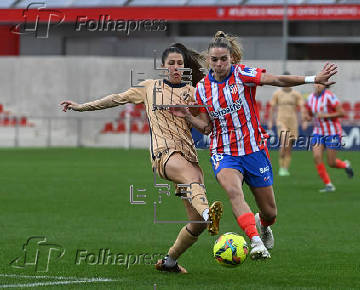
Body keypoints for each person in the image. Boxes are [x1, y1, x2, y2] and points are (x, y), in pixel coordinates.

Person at [169, 31, 337, 259]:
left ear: (231, 59)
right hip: (224, 152)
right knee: (233, 192)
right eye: (215, 60)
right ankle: (256, 241)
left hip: (254, 150)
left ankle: (263, 224)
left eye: (223, 59)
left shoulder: (242, 74)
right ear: (209, 61)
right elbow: (207, 128)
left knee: (270, 212)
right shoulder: (202, 89)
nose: (219, 64)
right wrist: (189, 117)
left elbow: (276, 80)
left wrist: (312, 79)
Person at [60, 43, 223, 274]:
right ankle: (210, 213)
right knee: (192, 179)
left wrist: (188, 114)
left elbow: (206, 128)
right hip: (164, 154)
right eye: (171, 63)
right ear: (163, 67)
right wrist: (81, 107)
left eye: (180, 63)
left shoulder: (193, 92)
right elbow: (116, 98)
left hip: (188, 154)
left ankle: (170, 261)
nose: (176, 67)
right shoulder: (149, 87)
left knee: (197, 224)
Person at [302, 83, 354, 192]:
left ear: (324, 86)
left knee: (331, 162)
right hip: (318, 132)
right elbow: (310, 114)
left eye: (320, 85)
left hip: (333, 132)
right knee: (316, 157)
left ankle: (345, 165)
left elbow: (342, 113)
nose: (318, 86)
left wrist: (326, 115)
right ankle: (328, 185)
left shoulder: (330, 96)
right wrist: (307, 118)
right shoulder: (310, 98)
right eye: (316, 84)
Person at [267, 73, 304, 176]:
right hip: (281, 121)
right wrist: (270, 121)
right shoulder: (277, 93)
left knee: (289, 147)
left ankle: (285, 168)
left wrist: (304, 120)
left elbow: (302, 107)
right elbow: (272, 108)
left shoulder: (296, 94)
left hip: (293, 122)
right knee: (284, 143)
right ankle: (281, 167)